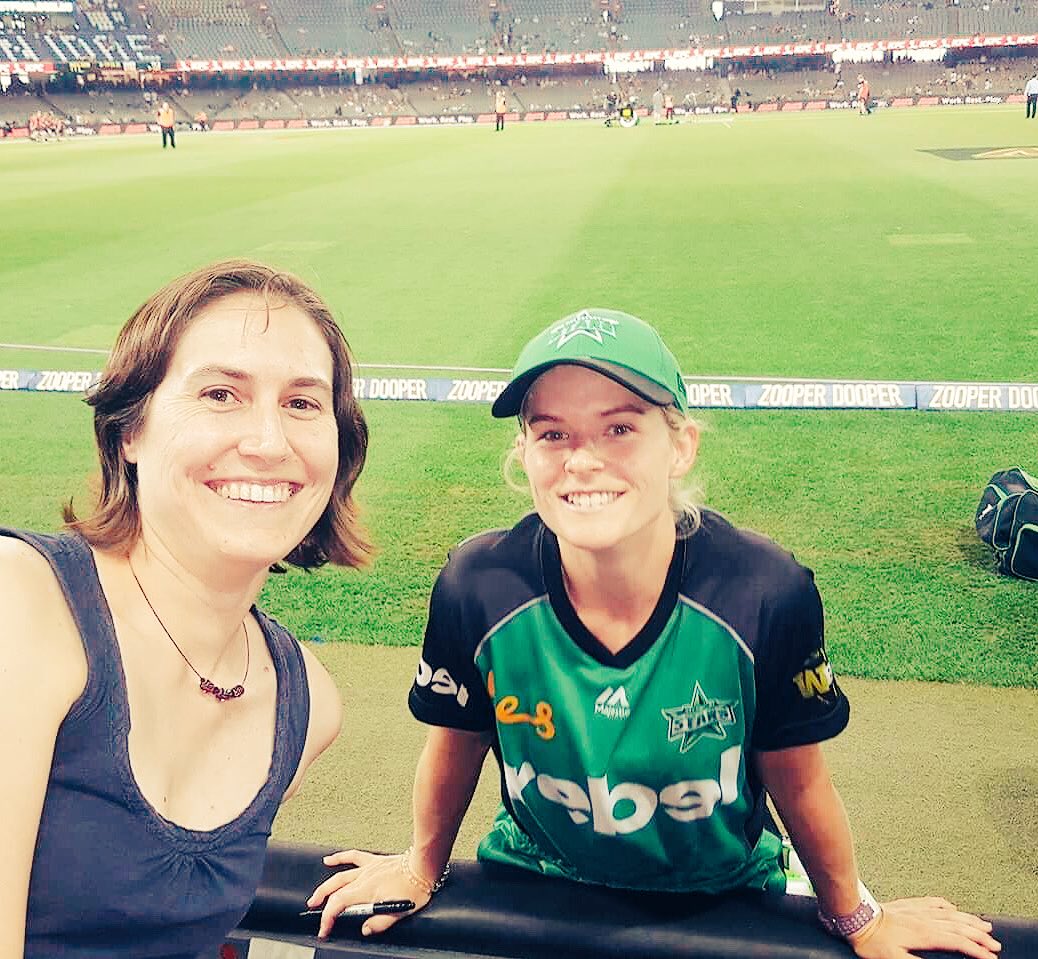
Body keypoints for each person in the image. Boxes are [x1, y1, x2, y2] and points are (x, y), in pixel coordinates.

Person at [308, 308, 1001, 959]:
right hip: (536, 878)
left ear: (680, 445)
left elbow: (799, 779)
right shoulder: (476, 584)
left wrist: (857, 915)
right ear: (524, 452)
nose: (582, 459)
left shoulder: (765, 591)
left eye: (619, 428)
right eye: (553, 433)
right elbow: (456, 742)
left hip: (725, 891)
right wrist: (421, 866)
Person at [2, 259, 371, 959]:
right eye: (221, 393)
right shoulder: (22, 608)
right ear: (129, 431)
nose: (268, 442)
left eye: (302, 403)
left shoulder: (306, 704)